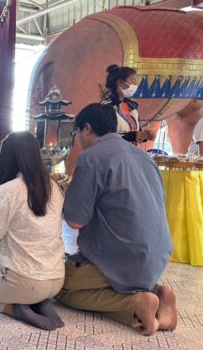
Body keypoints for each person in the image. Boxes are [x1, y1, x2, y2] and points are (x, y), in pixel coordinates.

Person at [58, 103, 177, 336]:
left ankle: (136, 304)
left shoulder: (91, 158)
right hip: (156, 256)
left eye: (77, 132)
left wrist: (65, 193)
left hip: (121, 255)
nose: (78, 139)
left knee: (60, 286)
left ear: (87, 128)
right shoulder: (146, 158)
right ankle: (158, 292)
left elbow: (75, 221)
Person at [0, 131, 66, 330]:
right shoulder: (54, 186)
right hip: (56, 279)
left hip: (24, 281)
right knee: (16, 281)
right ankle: (40, 303)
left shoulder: (9, 189)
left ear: (7, 157)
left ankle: (16, 310)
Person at [102, 64, 155, 145]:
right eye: (133, 81)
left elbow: (133, 131)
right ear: (120, 82)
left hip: (130, 151)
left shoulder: (132, 106)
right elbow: (103, 137)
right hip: (114, 152)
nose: (135, 85)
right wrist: (130, 136)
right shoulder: (106, 107)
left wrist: (143, 134)